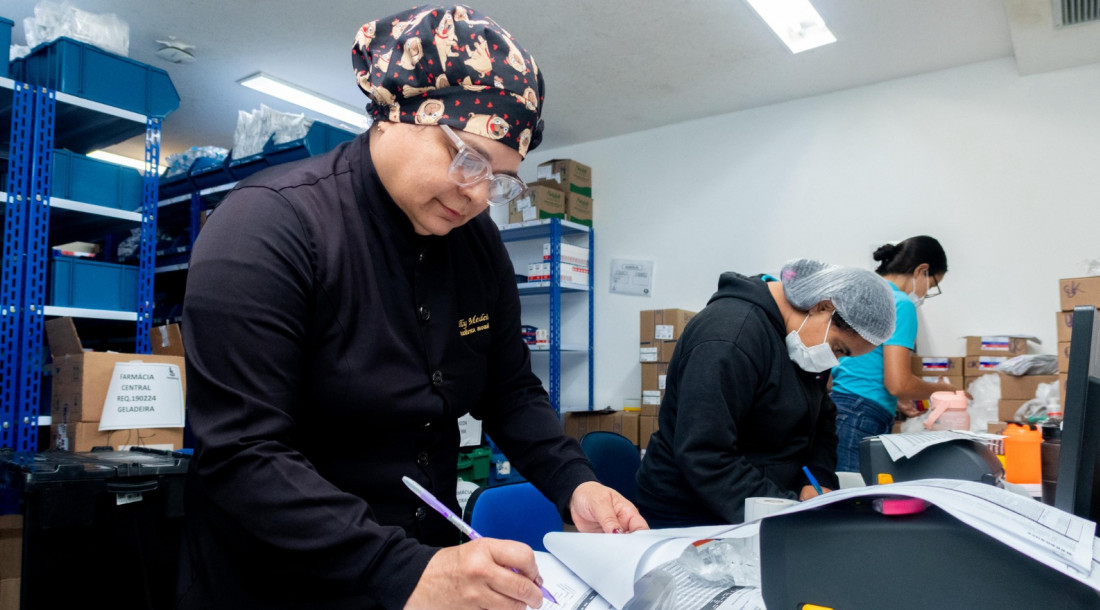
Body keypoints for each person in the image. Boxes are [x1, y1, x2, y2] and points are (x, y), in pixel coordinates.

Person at [176, 6, 646, 609]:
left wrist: (574, 481)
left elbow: (509, 390)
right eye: (468, 156)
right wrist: (400, 569)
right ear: (395, 114)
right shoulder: (267, 228)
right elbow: (243, 455)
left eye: (500, 178)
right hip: (281, 581)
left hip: (423, 571)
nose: (478, 194)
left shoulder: (475, 246)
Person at [634, 259, 896, 527]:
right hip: (692, 514)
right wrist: (788, 514)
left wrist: (816, 479)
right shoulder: (729, 338)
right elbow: (705, 454)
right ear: (823, 306)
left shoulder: (801, 342)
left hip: (764, 501)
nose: (835, 361)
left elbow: (822, 422)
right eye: (840, 349)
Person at [830, 236, 954, 472]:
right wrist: (945, 390)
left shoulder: (863, 293)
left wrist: (896, 397)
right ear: (922, 270)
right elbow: (898, 383)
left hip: (839, 409)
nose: (927, 293)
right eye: (933, 284)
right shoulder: (900, 304)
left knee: (842, 496)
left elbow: (860, 363)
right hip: (862, 415)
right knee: (858, 501)